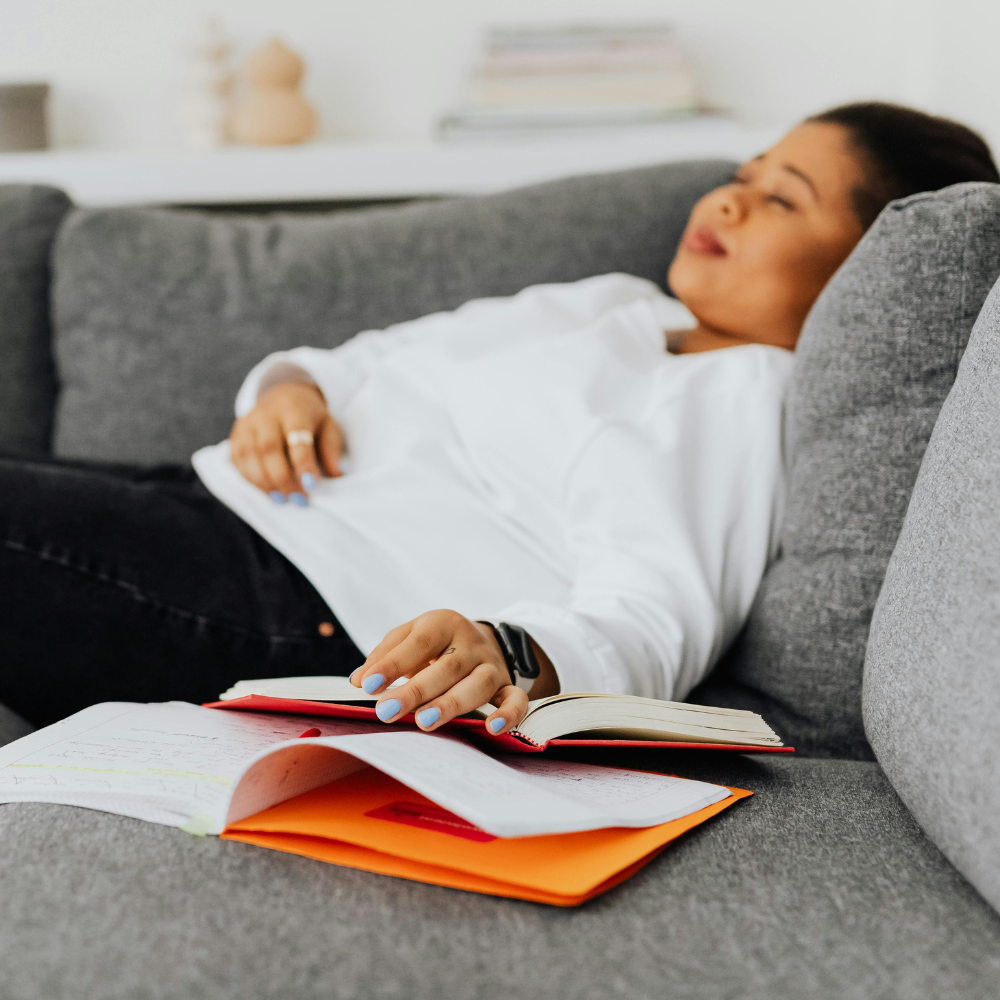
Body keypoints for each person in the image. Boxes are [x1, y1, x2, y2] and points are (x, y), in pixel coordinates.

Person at [1, 102, 996, 731]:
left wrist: (509, 650)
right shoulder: (616, 302)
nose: (730, 202)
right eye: (743, 176)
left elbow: (655, 612)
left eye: (783, 199)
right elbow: (377, 354)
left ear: (860, 269)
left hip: (298, 600)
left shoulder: (738, 399)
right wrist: (289, 390)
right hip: (214, 497)